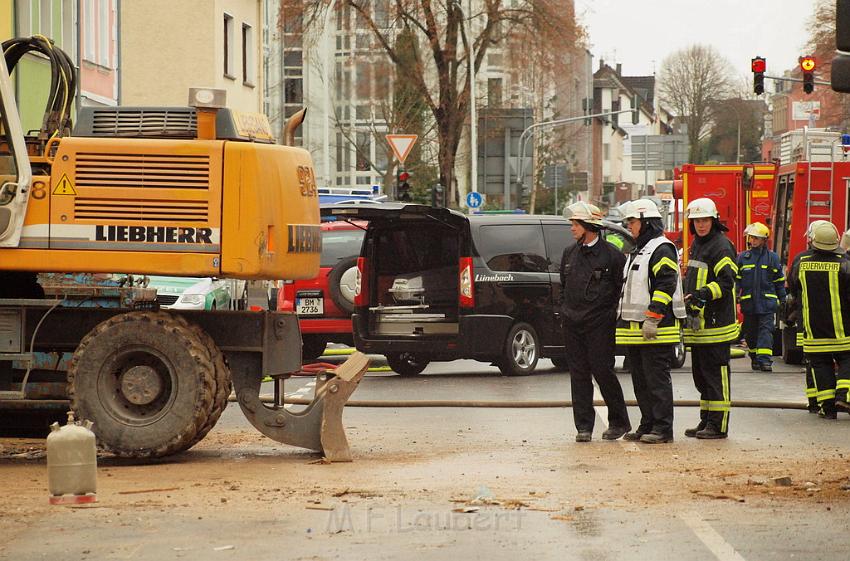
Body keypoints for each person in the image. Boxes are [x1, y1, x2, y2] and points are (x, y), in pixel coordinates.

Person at [616, 199, 686, 444]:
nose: (630, 227)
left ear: (646, 223)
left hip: (656, 329)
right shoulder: (641, 249)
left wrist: (653, 316)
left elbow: (665, 284)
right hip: (636, 332)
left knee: (656, 382)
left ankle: (662, 428)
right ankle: (647, 424)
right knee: (641, 382)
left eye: (633, 222)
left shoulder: (661, 248)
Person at [561, 201, 631, 442]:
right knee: (578, 375)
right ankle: (583, 427)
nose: (572, 228)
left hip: (599, 326)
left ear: (589, 225)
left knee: (603, 372)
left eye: (575, 224)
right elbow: (564, 287)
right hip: (573, 325)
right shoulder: (569, 253)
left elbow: (620, 291)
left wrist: (607, 316)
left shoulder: (612, 255)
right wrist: (565, 312)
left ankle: (619, 422)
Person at [682, 198, 739, 439]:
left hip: (716, 325)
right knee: (702, 377)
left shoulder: (721, 246)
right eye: (696, 221)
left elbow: (727, 282)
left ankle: (719, 425)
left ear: (713, 220)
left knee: (716, 377)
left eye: (704, 220)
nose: (701, 225)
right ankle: (706, 420)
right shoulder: (699, 244)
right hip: (700, 325)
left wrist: (702, 294)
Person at [787, 221, 850, 420]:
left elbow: (793, 287)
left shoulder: (800, 261)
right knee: (847, 359)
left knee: (820, 364)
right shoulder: (845, 262)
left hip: (813, 328)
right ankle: (844, 395)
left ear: (813, 240)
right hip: (843, 328)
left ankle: (827, 408)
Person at [736, 222, 786, 372]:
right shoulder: (743, 258)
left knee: (766, 330)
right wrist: (733, 298)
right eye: (751, 238)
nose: (753, 241)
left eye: (756, 238)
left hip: (767, 303)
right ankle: (754, 357)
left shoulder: (772, 258)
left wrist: (782, 299)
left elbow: (779, 281)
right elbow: (737, 281)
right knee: (750, 334)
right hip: (749, 304)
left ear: (764, 240)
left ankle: (765, 361)